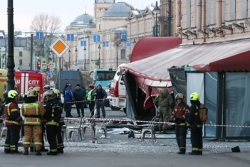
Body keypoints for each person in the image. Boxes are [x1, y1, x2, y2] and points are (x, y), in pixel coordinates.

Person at [22, 89, 45, 156]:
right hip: (36, 122)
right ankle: (37, 150)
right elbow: (42, 112)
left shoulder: (24, 104)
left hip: (27, 121)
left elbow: (23, 113)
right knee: (37, 135)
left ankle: (26, 150)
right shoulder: (38, 104)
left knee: (27, 135)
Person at [43, 90, 62, 155]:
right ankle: (57, 148)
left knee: (51, 137)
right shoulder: (58, 103)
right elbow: (60, 112)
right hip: (56, 123)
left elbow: (46, 114)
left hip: (50, 123)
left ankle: (53, 150)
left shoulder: (48, 105)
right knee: (56, 136)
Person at [4, 90, 23, 154]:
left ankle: (7, 149)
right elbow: (15, 115)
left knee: (9, 137)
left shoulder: (7, 104)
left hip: (8, 123)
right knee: (14, 137)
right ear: (13, 96)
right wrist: (20, 119)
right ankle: (14, 150)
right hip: (14, 123)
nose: (17, 97)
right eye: (16, 96)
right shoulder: (13, 104)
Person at [51, 88, 64, 154]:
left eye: (53, 95)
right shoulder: (59, 102)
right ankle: (60, 147)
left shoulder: (57, 102)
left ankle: (59, 147)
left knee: (57, 134)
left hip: (57, 120)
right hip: (59, 120)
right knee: (58, 134)